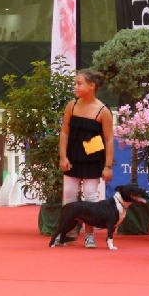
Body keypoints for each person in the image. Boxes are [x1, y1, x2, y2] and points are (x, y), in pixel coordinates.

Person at [58, 68, 114, 248]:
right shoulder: (71, 106)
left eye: (78, 83)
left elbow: (109, 139)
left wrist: (107, 166)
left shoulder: (103, 111)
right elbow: (65, 132)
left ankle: (89, 235)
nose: (75, 86)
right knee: (69, 196)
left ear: (92, 86)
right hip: (72, 158)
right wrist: (63, 156)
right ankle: (65, 233)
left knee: (90, 197)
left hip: (93, 161)